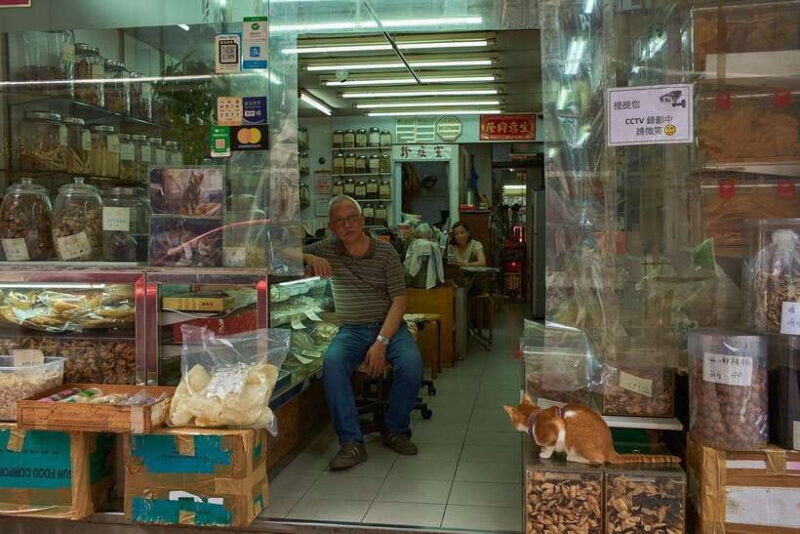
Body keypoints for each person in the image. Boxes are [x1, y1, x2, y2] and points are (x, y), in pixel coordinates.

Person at [302, 195, 424, 470]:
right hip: (352, 330)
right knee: (332, 364)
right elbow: (281, 252)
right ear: (332, 228)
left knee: (411, 365)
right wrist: (308, 255)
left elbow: (399, 301)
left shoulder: (385, 252)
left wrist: (381, 342)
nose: (347, 225)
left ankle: (395, 429)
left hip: (388, 326)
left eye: (352, 218)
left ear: (362, 220)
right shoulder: (328, 249)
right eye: (339, 222)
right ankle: (351, 442)